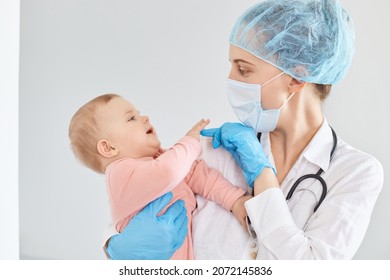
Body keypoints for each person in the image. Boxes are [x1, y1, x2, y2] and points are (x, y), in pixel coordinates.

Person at [104, 0, 383, 259]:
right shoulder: (212, 149)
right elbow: (133, 204)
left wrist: (263, 177)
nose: (230, 80)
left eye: (244, 70)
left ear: (297, 77)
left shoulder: (355, 172)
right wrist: (113, 248)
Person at [68, 93, 250, 260]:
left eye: (138, 114)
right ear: (108, 148)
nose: (145, 117)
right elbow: (170, 171)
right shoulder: (118, 174)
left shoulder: (159, 162)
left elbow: (197, 174)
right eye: (131, 118)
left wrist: (233, 200)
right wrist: (190, 141)